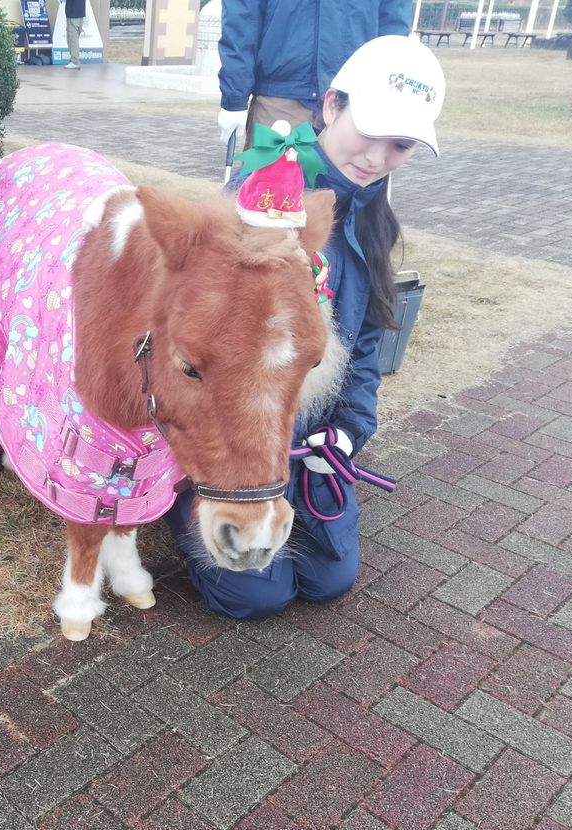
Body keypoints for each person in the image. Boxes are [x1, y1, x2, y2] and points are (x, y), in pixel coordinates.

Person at [168, 34, 446, 618]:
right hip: (239, 436)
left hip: (311, 443)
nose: (377, 158)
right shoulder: (256, 200)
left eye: (400, 145)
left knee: (330, 580)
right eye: (371, 132)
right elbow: (206, 357)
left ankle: (293, 502)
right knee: (254, 595)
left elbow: (366, 348)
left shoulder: (374, 220)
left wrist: (348, 432)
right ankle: (188, 506)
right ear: (330, 105)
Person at [217, 0, 412, 149]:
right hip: (281, 96)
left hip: (354, 98)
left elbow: (393, 22)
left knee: (344, 198)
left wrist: (386, 91)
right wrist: (235, 97)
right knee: (270, 194)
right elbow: (242, 16)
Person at [65, 0, 87, 69]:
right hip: (80, 12)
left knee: (72, 39)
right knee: (74, 38)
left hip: (73, 12)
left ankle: (75, 61)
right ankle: (74, 60)